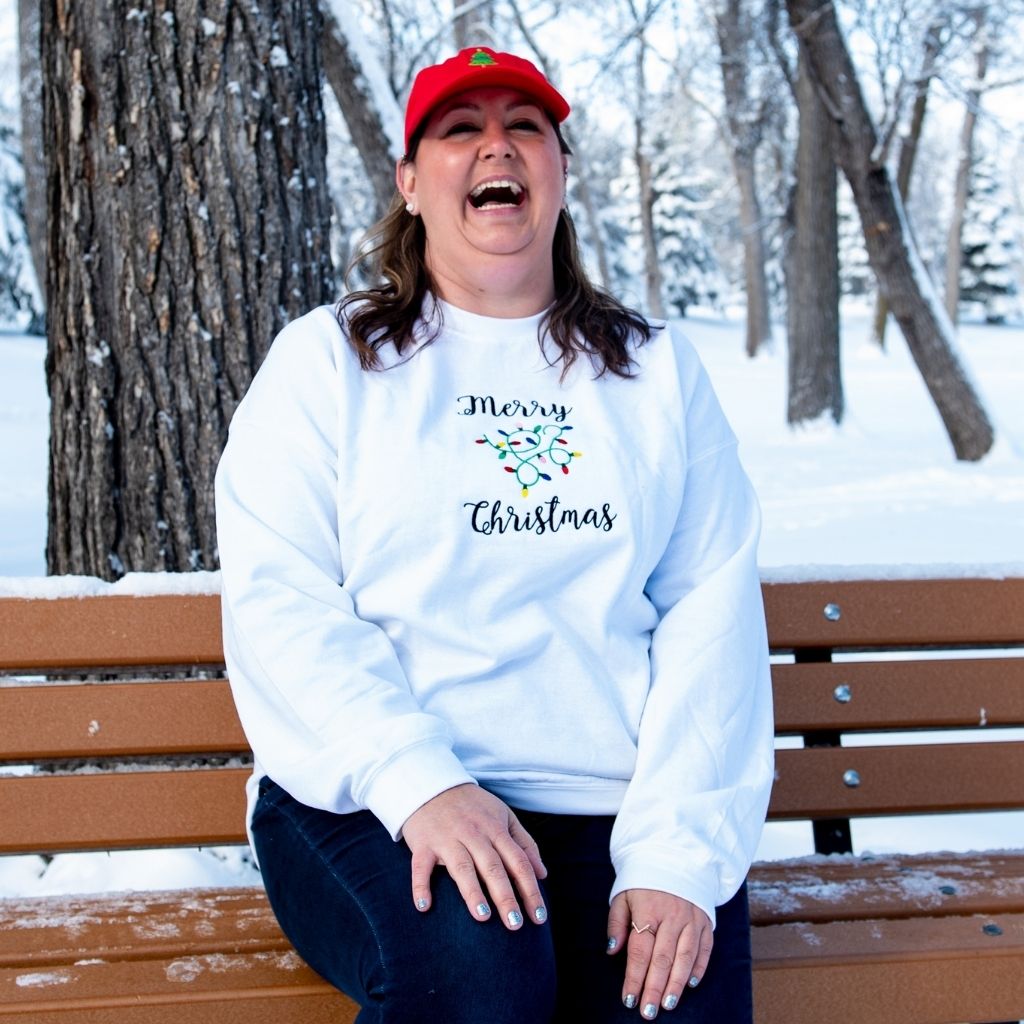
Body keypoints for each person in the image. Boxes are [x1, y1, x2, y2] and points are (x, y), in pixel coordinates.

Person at [215, 45, 774, 1024]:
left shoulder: (652, 373)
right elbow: (281, 602)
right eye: (459, 128)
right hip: (368, 798)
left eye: (523, 125)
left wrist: (677, 850)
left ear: (557, 169)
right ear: (410, 180)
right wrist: (417, 779)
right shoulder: (328, 364)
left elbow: (709, 612)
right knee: (481, 976)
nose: (494, 146)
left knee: (670, 1002)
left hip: (610, 799)